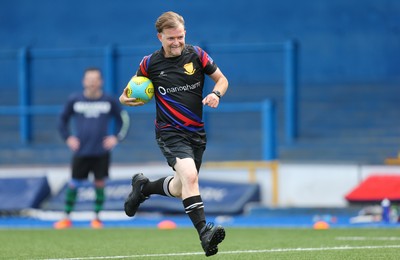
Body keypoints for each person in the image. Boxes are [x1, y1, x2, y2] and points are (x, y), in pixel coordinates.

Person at [119, 11, 229, 257]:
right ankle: (204, 233)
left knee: (181, 187)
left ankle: (143, 188)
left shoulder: (197, 55)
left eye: (180, 36)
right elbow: (127, 93)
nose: (177, 42)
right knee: (190, 176)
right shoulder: (149, 63)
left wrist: (216, 94)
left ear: (185, 33)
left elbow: (222, 80)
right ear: (160, 37)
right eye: (171, 38)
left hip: (196, 133)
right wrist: (127, 99)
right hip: (169, 132)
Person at [54, 67, 130, 229]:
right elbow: (62, 120)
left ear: (100, 82)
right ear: (84, 81)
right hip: (81, 151)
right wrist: (68, 138)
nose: (92, 83)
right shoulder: (75, 100)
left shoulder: (108, 100)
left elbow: (123, 119)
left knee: (100, 183)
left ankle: (97, 218)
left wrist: (116, 137)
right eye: (89, 79)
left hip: (101, 152)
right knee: (74, 183)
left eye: (95, 80)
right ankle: (66, 217)